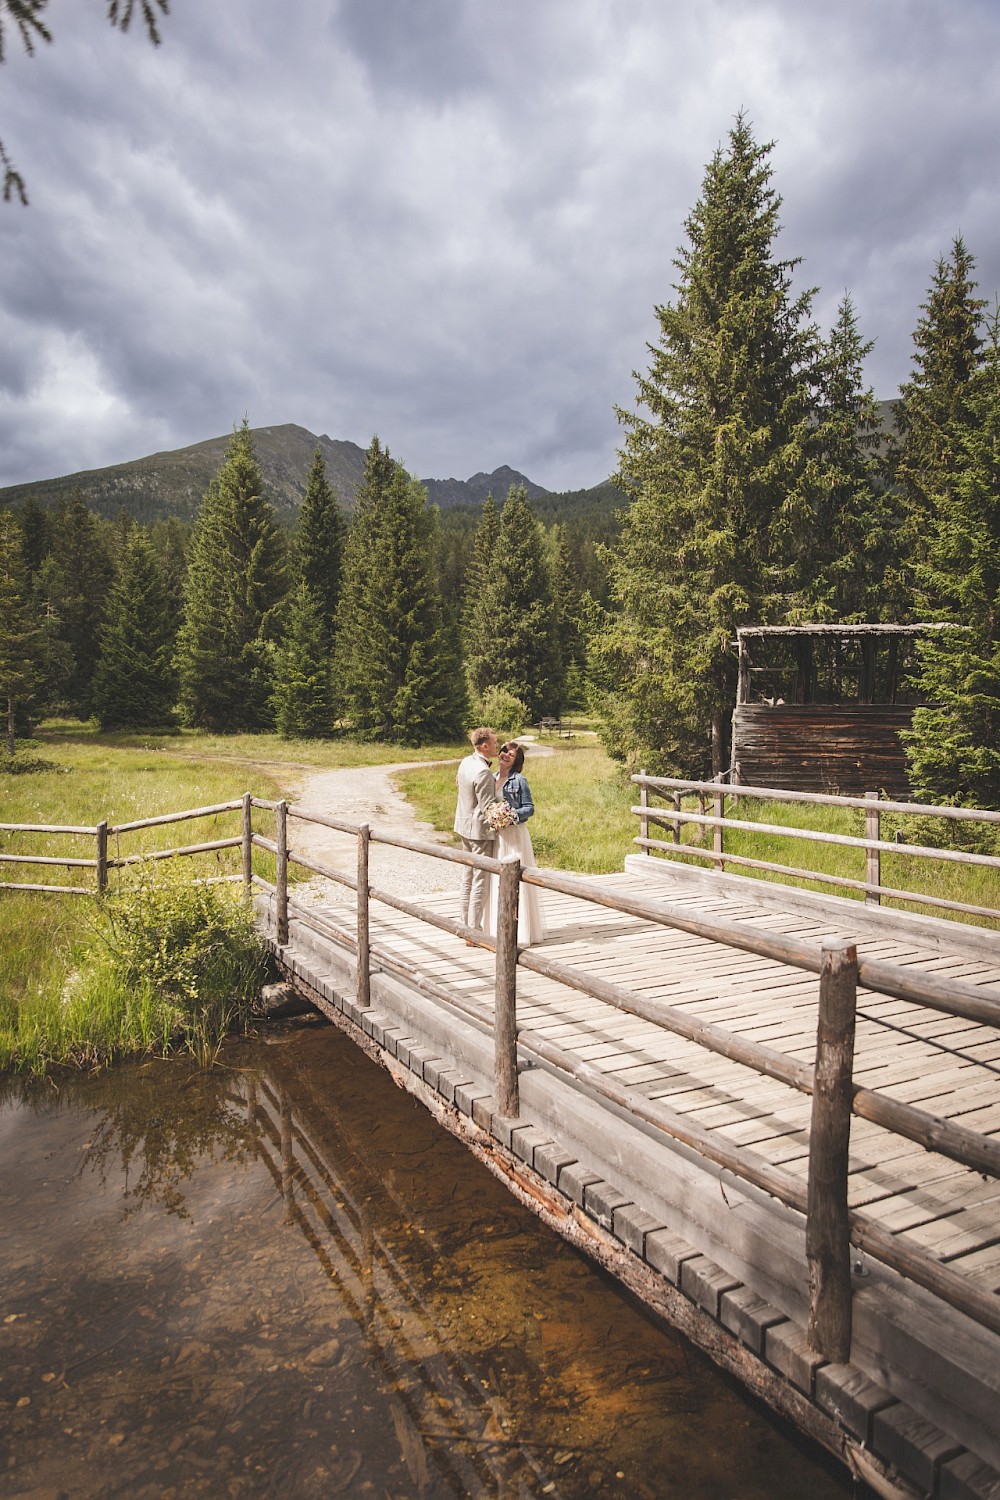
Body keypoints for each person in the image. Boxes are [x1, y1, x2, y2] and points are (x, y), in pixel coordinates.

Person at [488, 740, 547, 945]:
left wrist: (509, 815)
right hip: (498, 837)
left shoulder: (519, 780)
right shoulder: (491, 777)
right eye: (503, 750)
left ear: (515, 761)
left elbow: (529, 808)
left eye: (510, 754)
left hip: (515, 835)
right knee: (496, 879)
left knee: (516, 880)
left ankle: (521, 931)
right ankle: (498, 928)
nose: (504, 754)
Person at [454, 726, 498, 931]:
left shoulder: (465, 762)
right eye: (495, 744)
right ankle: (474, 929)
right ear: (485, 746)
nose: (498, 747)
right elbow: (488, 807)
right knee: (480, 879)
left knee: (467, 876)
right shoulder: (483, 772)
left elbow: (459, 786)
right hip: (479, 832)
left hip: (463, 825)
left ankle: (464, 923)